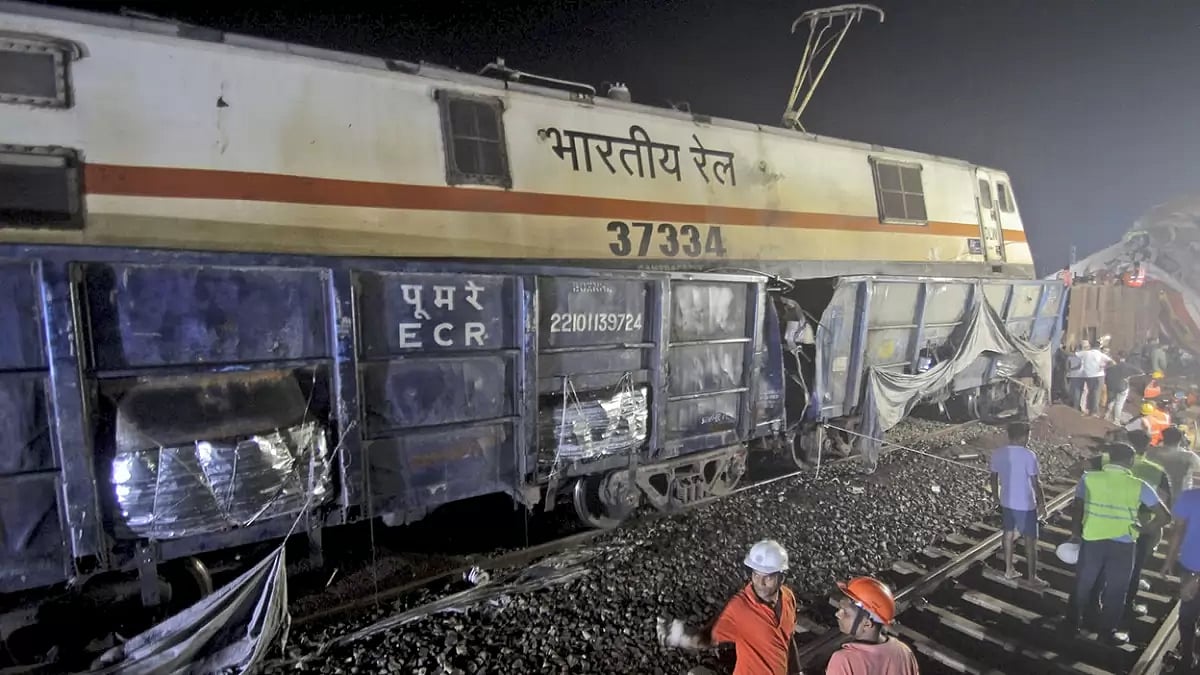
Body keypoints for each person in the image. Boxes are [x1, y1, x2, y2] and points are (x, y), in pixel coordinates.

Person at [1068, 442, 1171, 643]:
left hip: (1092, 541)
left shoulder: (1088, 479)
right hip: (1123, 545)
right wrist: (1145, 529)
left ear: (1109, 457)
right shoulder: (1139, 485)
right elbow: (1165, 517)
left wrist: (1075, 534)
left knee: (1083, 584)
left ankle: (1071, 624)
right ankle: (1106, 633)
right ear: (1130, 461)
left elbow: (1077, 508)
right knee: (1117, 589)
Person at [657, 539, 797, 675]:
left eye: (768, 577)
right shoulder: (740, 608)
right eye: (755, 574)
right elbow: (705, 638)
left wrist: (798, 671)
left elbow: (788, 639)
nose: (760, 583)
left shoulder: (788, 598)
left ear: (782, 577)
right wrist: (678, 636)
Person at [988, 422, 1047, 584]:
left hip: (1007, 501)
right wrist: (1042, 503)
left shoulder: (998, 453)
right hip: (1026, 504)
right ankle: (1032, 577)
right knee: (1030, 540)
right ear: (1023, 436)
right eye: (1028, 435)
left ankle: (1008, 570)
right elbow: (1036, 483)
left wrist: (996, 497)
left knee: (1008, 534)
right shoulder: (1029, 455)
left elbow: (993, 478)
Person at [826, 576, 919, 675]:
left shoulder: (843, 661)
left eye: (845, 612)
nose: (837, 614)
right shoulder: (904, 651)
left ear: (867, 623)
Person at [1160, 485, 1200, 672]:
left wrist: (1169, 559)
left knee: (1187, 616)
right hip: (1191, 568)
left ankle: (1187, 658)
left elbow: (1178, 531)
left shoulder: (1190, 496)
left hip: (1191, 567)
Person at [1149, 426, 1200, 501]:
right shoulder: (1189, 456)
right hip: (1182, 497)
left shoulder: (1152, 452)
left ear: (1163, 438)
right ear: (1180, 440)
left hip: (1158, 496)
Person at [1077, 342, 1115, 416]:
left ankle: (1088, 409)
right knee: (1096, 393)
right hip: (1099, 375)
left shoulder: (1086, 353)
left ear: (1091, 346)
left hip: (1088, 376)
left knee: (1090, 392)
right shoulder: (1100, 354)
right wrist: (1104, 367)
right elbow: (1112, 362)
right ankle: (1094, 411)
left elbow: (1075, 355)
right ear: (1099, 347)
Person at [1104, 352, 1143, 424]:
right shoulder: (1128, 366)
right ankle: (1116, 420)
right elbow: (1141, 372)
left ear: (1118, 357)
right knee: (1119, 403)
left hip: (1111, 385)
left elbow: (1106, 374)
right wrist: (1129, 377)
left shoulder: (1111, 367)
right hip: (1122, 386)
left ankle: (1106, 415)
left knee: (1110, 401)